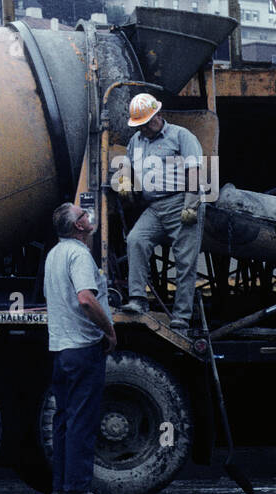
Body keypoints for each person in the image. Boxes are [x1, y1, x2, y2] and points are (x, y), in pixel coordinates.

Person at [44, 203, 116, 494]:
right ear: (79, 227)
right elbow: (86, 299)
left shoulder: (54, 254)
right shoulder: (79, 254)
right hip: (83, 346)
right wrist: (109, 330)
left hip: (60, 349)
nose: (89, 216)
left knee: (63, 419)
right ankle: (77, 490)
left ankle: (60, 488)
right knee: (82, 420)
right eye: (83, 215)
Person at [113, 92, 204, 330]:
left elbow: (194, 170)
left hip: (179, 202)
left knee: (185, 260)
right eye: (140, 125)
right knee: (136, 240)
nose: (144, 128)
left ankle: (182, 316)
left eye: (146, 123)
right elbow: (127, 166)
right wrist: (123, 180)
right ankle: (137, 299)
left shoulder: (181, 136)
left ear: (158, 115)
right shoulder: (137, 141)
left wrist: (191, 204)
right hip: (154, 207)